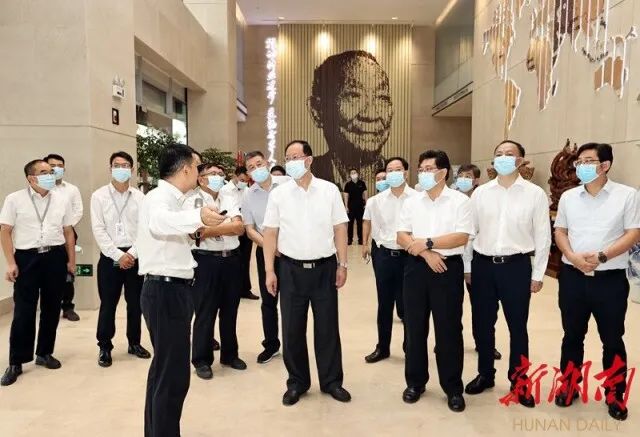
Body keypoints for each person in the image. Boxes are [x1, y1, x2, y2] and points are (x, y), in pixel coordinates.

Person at [136, 144, 226, 437]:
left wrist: (196, 224)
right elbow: (160, 223)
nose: (200, 174)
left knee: (164, 372)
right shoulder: (158, 197)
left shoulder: (176, 199)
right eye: (198, 168)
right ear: (186, 169)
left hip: (173, 290)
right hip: (165, 292)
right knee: (173, 376)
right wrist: (200, 217)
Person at [553, 143, 640, 421]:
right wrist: (571, 256)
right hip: (573, 277)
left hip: (609, 279)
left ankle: (615, 393)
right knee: (572, 336)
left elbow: (633, 233)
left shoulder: (626, 195)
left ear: (605, 165)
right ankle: (569, 385)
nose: (581, 166)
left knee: (612, 338)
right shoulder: (569, 197)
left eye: (588, 161)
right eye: (579, 161)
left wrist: (603, 256)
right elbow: (560, 230)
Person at [262, 140, 351, 406]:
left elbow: (340, 228)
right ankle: (297, 382)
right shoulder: (279, 194)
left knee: (327, 328)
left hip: (324, 269)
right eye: (287, 158)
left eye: (296, 157)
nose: (291, 162)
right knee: (292, 330)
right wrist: (269, 270)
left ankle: (332, 381)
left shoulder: (329, 190)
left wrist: (343, 264)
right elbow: (270, 233)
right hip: (290, 270)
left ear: (309, 160)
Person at [464, 140, 551, 409]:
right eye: (498, 154)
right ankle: (485, 374)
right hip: (483, 266)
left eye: (509, 154)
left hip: (516, 266)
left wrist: (538, 274)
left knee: (517, 327)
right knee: (482, 324)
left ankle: (519, 381)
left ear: (520, 160)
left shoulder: (535, 194)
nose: (503, 158)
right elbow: (470, 233)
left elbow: (543, 236)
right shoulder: (481, 193)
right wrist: (467, 266)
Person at [396, 150, 470, 412]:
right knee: (414, 328)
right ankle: (415, 382)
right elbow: (401, 235)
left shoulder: (459, 201)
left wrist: (427, 242)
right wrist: (427, 254)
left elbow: (461, 236)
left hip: (447, 269)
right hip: (416, 267)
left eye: (429, 169)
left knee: (449, 329)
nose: (423, 174)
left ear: (443, 172)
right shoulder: (412, 201)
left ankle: (453, 388)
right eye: (421, 169)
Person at [0, 159, 76, 386]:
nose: (50, 175)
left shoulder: (61, 199)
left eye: (51, 171)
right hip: (27, 258)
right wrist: (11, 263)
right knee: (24, 310)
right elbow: (5, 231)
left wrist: (71, 262)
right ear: (31, 178)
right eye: (44, 172)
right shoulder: (14, 199)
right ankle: (16, 361)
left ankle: (44, 352)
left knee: (52, 308)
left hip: (55, 256)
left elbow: (68, 232)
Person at [187, 163, 247, 380]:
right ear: (201, 178)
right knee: (205, 311)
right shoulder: (192, 200)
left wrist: (210, 229)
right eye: (213, 174)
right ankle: (202, 360)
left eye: (221, 174)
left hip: (231, 260)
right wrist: (226, 226)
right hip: (205, 261)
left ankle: (230, 355)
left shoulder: (229, 196)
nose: (218, 177)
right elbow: (195, 233)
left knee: (230, 310)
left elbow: (239, 228)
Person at [90, 151, 150, 368]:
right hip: (110, 257)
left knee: (135, 304)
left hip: (135, 257)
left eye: (125, 166)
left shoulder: (141, 198)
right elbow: (98, 230)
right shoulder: (99, 196)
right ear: (110, 168)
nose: (121, 169)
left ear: (132, 170)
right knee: (108, 304)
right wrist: (118, 255)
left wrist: (131, 254)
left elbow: (145, 230)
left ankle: (134, 343)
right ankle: (105, 346)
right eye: (117, 165)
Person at [308, 50, 391, 184]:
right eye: (353, 96)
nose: (371, 115)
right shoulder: (309, 175)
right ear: (317, 111)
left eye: (382, 97)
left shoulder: (395, 175)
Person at [361, 158, 414, 364]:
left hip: (410, 256)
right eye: (389, 170)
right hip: (384, 256)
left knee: (410, 304)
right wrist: (366, 244)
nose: (393, 173)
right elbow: (369, 223)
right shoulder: (376, 201)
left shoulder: (418, 198)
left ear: (406, 172)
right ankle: (382, 347)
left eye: (397, 169)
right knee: (384, 303)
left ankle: (411, 347)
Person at [243, 151, 291, 364]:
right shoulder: (248, 195)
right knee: (269, 300)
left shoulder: (287, 184)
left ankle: (292, 345)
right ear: (248, 173)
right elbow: (249, 229)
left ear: (267, 163)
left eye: (259, 164)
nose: (256, 169)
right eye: (251, 167)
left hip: (292, 251)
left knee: (292, 301)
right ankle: (271, 345)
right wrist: (270, 247)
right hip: (266, 252)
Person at [456, 164, 502, 361]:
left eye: (468, 176)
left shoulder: (484, 198)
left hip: (475, 260)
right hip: (449, 260)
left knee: (481, 307)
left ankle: (483, 343)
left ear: (476, 180)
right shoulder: (450, 198)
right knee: (451, 306)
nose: (463, 179)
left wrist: (468, 267)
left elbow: (473, 236)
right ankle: (450, 341)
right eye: (460, 175)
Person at [45, 153, 83, 322]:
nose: (56, 169)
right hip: (45, 235)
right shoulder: (41, 188)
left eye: (60, 166)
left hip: (67, 233)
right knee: (46, 271)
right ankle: (48, 306)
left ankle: (68, 307)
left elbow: (78, 210)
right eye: (52, 165)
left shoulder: (71, 189)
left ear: (64, 169)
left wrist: (65, 225)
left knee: (68, 271)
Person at [221, 166, 258, 300]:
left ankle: (245, 289)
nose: (244, 182)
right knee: (232, 260)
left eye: (246, 181)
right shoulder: (224, 190)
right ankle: (231, 289)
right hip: (230, 229)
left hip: (245, 228)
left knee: (245, 260)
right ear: (235, 176)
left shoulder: (247, 191)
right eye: (242, 180)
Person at [343, 168, 367, 245]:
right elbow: (346, 196)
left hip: (360, 206)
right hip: (351, 207)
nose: (353, 174)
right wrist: (346, 206)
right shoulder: (348, 184)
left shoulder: (362, 183)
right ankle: (350, 239)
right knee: (350, 224)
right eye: (352, 173)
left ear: (357, 174)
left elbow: (365, 193)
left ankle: (361, 240)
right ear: (350, 175)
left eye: (354, 172)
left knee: (360, 224)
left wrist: (366, 204)